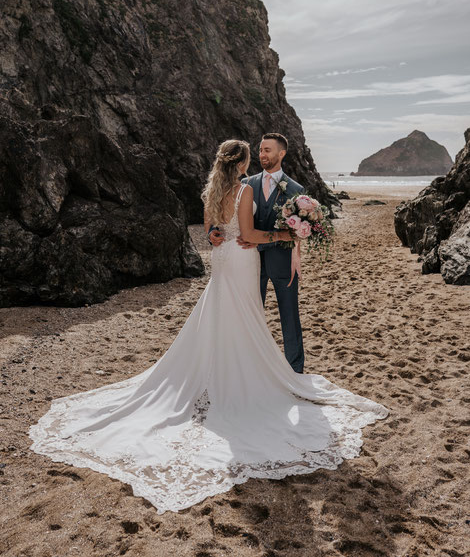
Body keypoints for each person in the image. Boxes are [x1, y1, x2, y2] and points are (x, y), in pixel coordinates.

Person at [28, 139, 388, 515]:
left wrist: (222, 236)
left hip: (222, 259)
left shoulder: (213, 190)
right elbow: (248, 236)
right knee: (243, 316)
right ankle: (239, 378)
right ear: (245, 161)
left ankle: (215, 374)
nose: (258, 159)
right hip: (241, 260)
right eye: (254, 155)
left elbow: (211, 231)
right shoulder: (245, 189)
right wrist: (285, 235)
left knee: (224, 314)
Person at [209, 133, 305, 372]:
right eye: (260, 150)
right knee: (249, 317)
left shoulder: (296, 190)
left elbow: (297, 231)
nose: (262, 154)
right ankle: (252, 368)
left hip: (281, 261)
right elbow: (223, 214)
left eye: (267, 150)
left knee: (290, 317)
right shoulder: (245, 183)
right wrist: (212, 231)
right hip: (247, 262)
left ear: (281, 154)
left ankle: (295, 369)